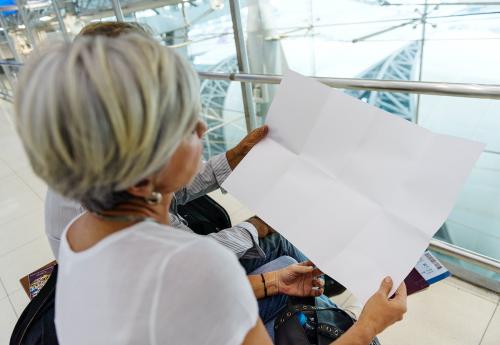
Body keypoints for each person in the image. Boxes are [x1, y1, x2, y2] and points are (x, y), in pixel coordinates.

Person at [15, 33, 406, 344]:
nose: (203, 129)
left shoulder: (78, 233)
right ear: (143, 162)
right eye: (186, 123)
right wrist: (369, 326)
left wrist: (234, 157)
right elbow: (190, 283)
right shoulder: (197, 267)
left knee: (286, 268)